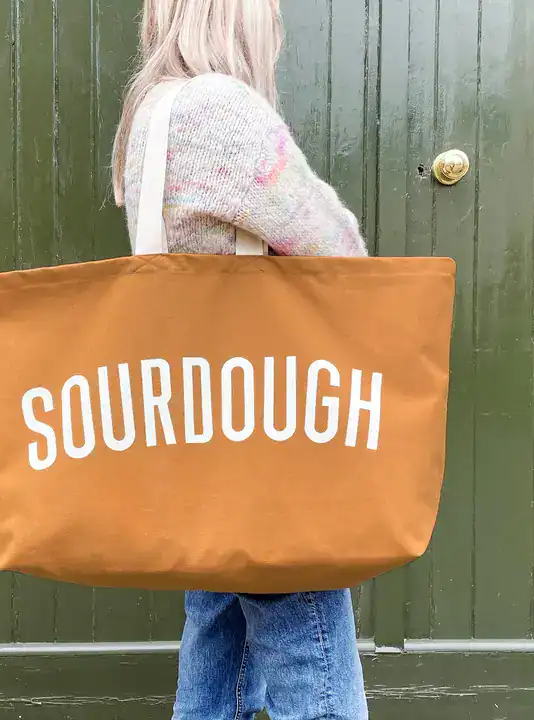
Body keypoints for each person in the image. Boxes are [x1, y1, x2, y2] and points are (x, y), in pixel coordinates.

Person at [112, 1, 369, 718]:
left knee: (219, 617)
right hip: (266, 428)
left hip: (203, 425)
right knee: (307, 630)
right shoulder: (222, 109)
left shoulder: (150, 116)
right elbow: (341, 250)